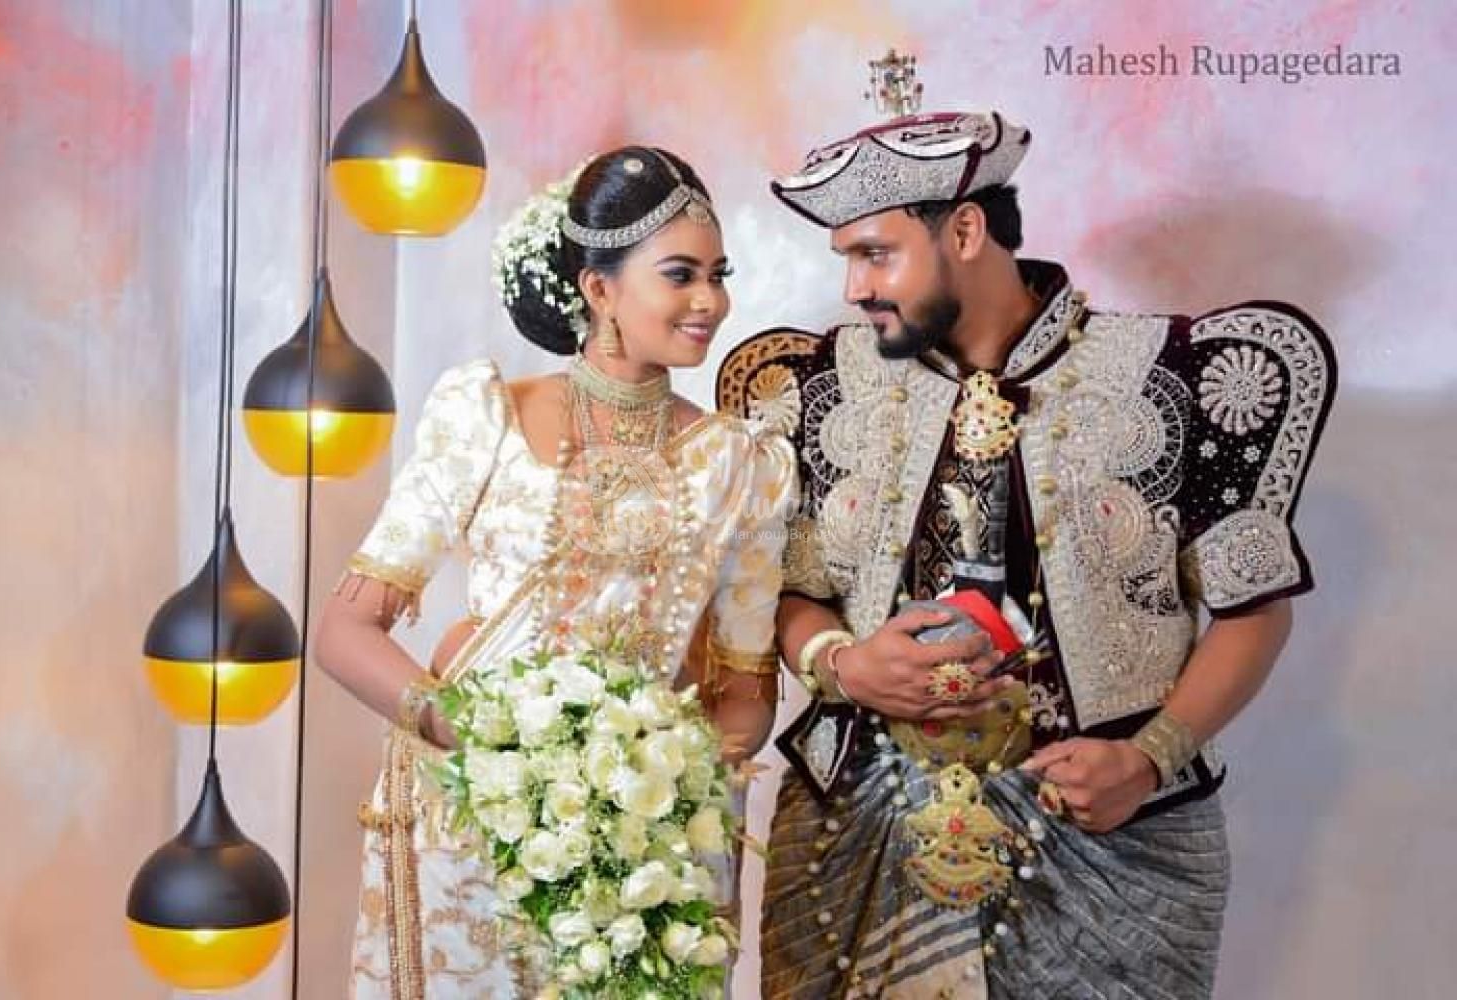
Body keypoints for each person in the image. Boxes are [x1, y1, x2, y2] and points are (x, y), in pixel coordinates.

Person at [718, 57, 1336, 999]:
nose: (853, 288)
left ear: (965, 231)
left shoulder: (1169, 375)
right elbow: (789, 592)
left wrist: (1149, 757)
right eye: (847, 258)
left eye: (875, 254)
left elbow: (1255, 613)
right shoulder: (819, 388)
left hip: (1113, 835)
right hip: (861, 821)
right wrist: (840, 663)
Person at [316, 146, 797, 999]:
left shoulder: (740, 462)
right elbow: (345, 632)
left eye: (718, 276)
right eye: (681, 275)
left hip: (646, 856)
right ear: (598, 288)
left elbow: (746, 691)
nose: (710, 301)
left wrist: (659, 789)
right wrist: (481, 742)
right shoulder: (488, 418)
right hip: (476, 827)